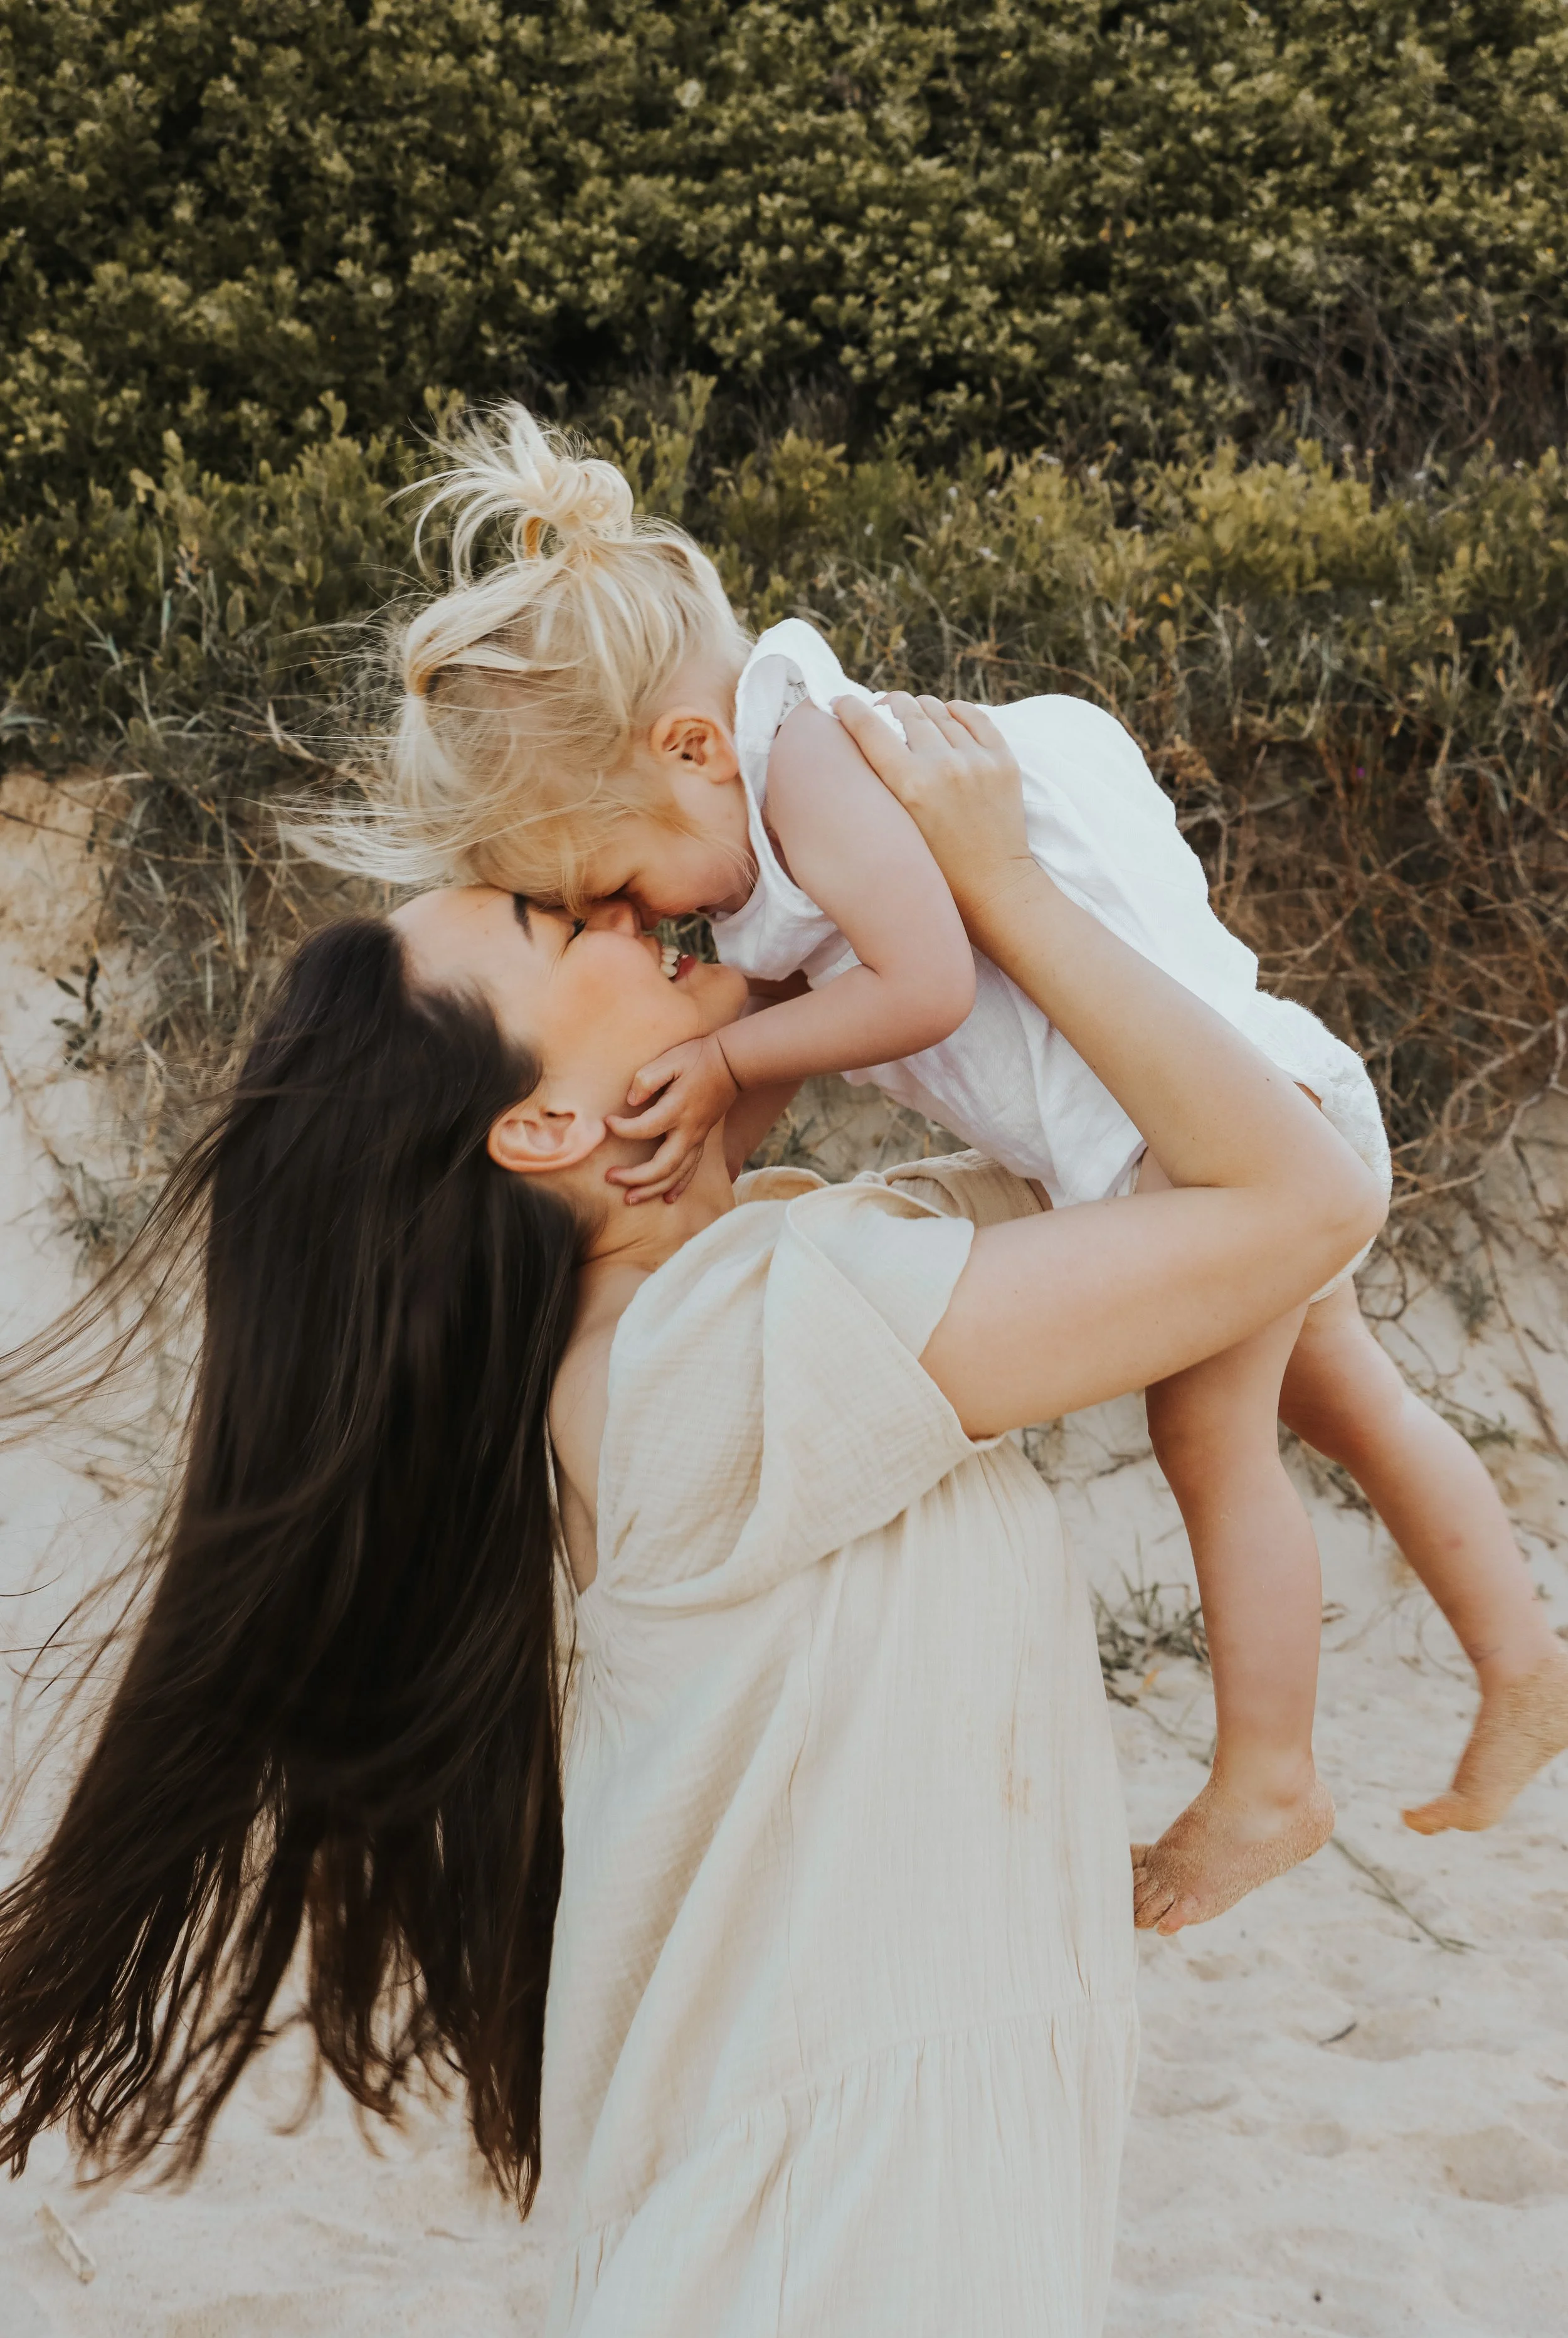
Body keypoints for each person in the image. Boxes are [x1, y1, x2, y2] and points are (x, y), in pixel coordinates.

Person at [1, 702, 1382, 2338]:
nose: (605, 905)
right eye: (542, 920)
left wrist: (811, 925)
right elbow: (1295, 1196)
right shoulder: (740, 1362)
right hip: (821, 2277)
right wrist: (997, 879)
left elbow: (1060, 1135)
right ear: (541, 1129)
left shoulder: (700, 1344)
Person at [338, 403, 1568, 1931]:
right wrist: (705, 1111)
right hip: (1242, 1101)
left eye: (613, 880)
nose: (638, 924)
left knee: (1212, 1445)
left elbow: (916, 989)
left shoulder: (805, 774)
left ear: (686, 750)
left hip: (1195, 1139)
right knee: (1348, 1394)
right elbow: (787, 1025)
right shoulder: (765, 804)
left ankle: (1268, 1778)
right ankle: (1520, 1657)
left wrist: (718, 1061)